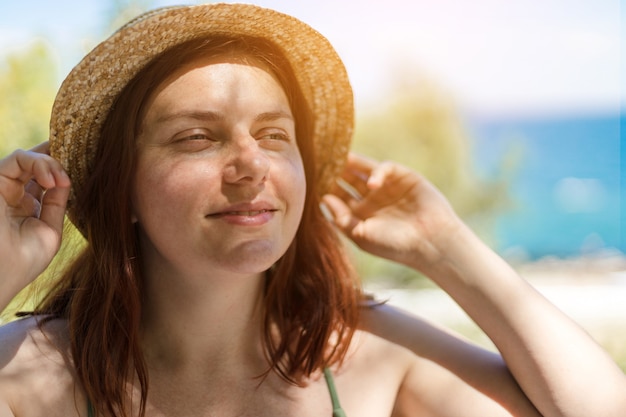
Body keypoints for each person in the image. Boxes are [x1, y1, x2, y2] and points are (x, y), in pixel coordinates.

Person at [0, 3, 624, 417]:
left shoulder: (370, 357)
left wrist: (446, 249)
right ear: (122, 191)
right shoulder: (30, 373)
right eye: (197, 137)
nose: (252, 164)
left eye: (275, 136)